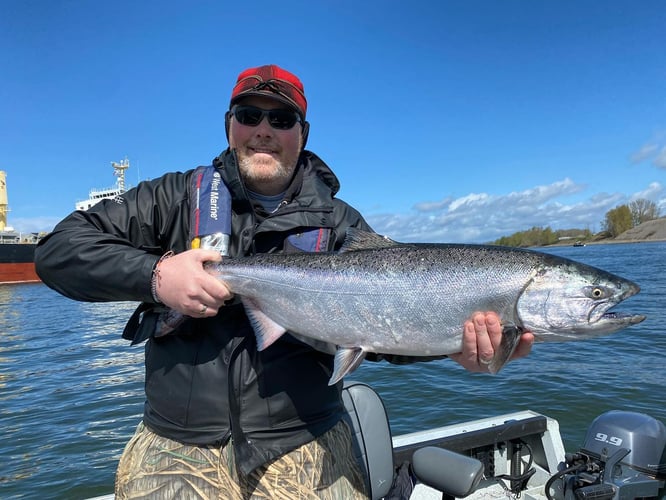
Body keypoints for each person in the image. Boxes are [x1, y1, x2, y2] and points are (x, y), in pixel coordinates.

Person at [35, 64, 534, 499]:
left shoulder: (342, 224)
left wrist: (450, 344)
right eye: (249, 115)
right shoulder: (173, 197)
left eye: (281, 118)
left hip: (307, 439)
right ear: (229, 127)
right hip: (175, 442)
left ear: (302, 132)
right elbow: (58, 252)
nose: (263, 130)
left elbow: (385, 330)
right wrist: (155, 274)